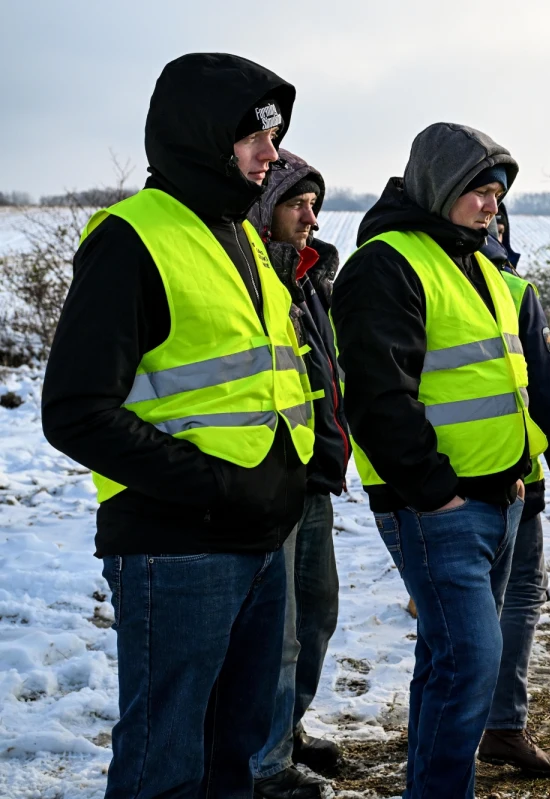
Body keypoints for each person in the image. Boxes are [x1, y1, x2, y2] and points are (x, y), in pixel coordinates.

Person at [42, 53, 314, 798]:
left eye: (277, 135)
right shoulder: (132, 237)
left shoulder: (245, 235)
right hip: (178, 547)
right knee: (165, 767)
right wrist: (217, 487)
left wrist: (294, 472)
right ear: (198, 135)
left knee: (234, 760)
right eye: (254, 137)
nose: (273, 153)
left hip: (261, 541)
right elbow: (73, 411)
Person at [331, 122, 536, 799]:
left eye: (497, 194)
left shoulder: (477, 262)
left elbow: (502, 381)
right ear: (439, 186)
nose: (491, 205)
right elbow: (376, 393)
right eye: (479, 190)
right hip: (437, 508)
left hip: (496, 499)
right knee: (471, 662)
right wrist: (434, 489)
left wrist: (524, 470)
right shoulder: (386, 262)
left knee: (449, 661)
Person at [247, 149, 349, 797]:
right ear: (266, 208)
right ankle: (265, 762)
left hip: (316, 472)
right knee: (277, 632)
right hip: (272, 477)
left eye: (315, 203)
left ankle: (288, 723)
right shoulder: (257, 277)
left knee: (318, 612)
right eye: (296, 203)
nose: (310, 216)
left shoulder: (310, 278)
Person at [474, 215, 550, 774]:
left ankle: (449, 725)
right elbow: (547, 393)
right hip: (519, 479)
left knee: (462, 616)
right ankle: (502, 725)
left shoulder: (413, 277)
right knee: (516, 602)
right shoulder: (514, 289)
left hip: (446, 484)